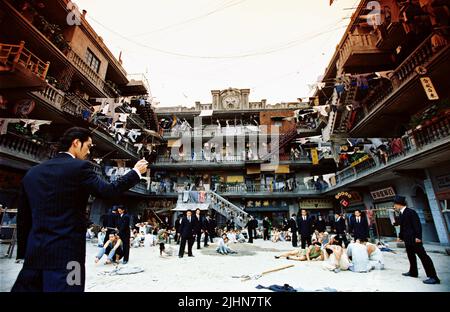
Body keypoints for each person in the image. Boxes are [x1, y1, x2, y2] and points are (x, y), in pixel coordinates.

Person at [13, 127, 147, 292]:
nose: (89, 151)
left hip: (34, 257)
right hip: (69, 258)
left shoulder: (32, 173)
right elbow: (108, 191)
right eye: (88, 146)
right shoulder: (80, 168)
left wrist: (23, 253)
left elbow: (24, 218)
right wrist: (135, 172)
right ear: (76, 143)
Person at [394, 195, 440, 284]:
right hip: (407, 239)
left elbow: (417, 225)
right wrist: (400, 237)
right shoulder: (401, 213)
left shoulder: (411, 212)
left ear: (399, 204)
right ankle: (413, 272)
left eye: (395, 204)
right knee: (411, 256)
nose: (394, 206)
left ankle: (433, 277)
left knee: (423, 257)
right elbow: (403, 227)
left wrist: (418, 237)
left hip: (415, 239)